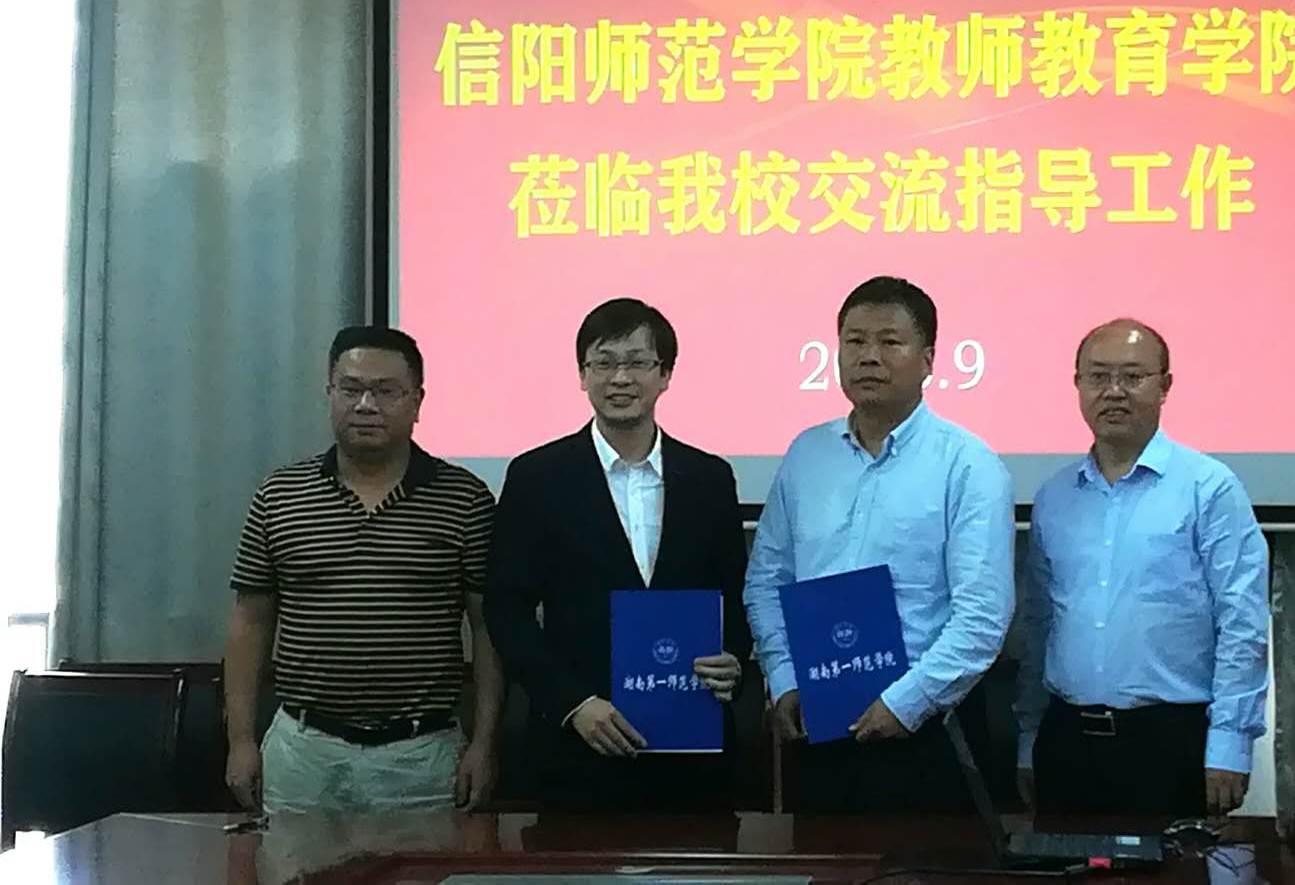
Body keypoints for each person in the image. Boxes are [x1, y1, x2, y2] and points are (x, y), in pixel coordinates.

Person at [743, 275, 1015, 812]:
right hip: (818, 721)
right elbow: (767, 581)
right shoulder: (807, 454)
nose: (869, 356)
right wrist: (784, 677)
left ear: (928, 359)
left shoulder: (967, 464)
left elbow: (982, 616)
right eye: (855, 340)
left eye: (890, 341)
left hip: (928, 731)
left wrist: (905, 703)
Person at [484, 298, 750, 810]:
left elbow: (734, 597)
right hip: (577, 747)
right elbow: (506, 608)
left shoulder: (709, 478)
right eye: (603, 363)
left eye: (637, 362)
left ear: (665, 375)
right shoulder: (537, 477)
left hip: (692, 751)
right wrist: (571, 703)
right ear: (582, 375)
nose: (620, 378)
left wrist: (733, 661)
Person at [224, 326, 503, 813]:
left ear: (417, 401)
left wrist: (484, 743)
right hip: (304, 751)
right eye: (350, 389)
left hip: (423, 754)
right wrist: (241, 740)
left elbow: (487, 628)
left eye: (387, 391)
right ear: (329, 394)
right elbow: (250, 622)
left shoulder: (465, 499)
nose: (366, 405)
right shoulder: (280, 495)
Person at [1014, 318, 1269, 819]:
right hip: (1067, 741)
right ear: (1078, 385)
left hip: (1171, 741)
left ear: (1164, 386)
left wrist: (1230, 742)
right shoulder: (1055, 497)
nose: (1114, 391)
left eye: (1132, 377)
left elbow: (1242, 622)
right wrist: (1028, 738)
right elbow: (1040, 626)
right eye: (1098, 376)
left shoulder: (1208, 488)